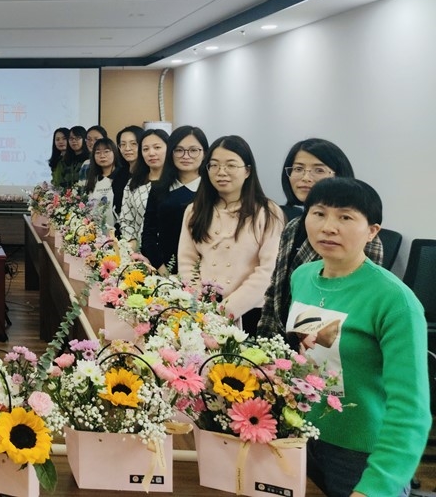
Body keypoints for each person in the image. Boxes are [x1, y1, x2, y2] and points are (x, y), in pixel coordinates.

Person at [287, 178, 428, 497]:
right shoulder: (302, 277)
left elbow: (411, 409)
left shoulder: (394, 301)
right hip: (303, 436)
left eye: (345, 217)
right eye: (318, 213)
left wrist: (379, 484)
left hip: (362, 455)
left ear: (372, 231)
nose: (328, 227)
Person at [258, 138, 383, 338]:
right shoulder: (292, 227)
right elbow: (276, 289)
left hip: (323, 343)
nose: (305, 177)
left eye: (318, 170)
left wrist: (301, 344)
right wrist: (264, 341)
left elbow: (358, 300)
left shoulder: (360, 236)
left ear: (339, 175)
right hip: (281, 338)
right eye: (298, 169)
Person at [177, 135, 283, 332]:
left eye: (231, 165)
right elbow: (187, 261)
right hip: (203, 310)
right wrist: (199, 303)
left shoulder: (267, 212)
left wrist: (226, 310)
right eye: (214, 165)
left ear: (247, 171)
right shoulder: (195, 210)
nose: (221, 172)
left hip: (250, 310)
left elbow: (268, 270)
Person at [139, 126, 208, 272]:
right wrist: (162, 269)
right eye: (179, 150)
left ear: (204, 153)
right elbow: (148, 234)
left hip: (204, 272)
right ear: (171, 153)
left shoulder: (211, 191)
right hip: (165, 270)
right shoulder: (158, 189)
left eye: (193, 150)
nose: (186, 156)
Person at [117, 128, 169, 247]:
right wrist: (132, 243)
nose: (151, 153)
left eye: (157, 147)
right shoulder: (134, 183)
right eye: (145, 149)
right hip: (139, 250)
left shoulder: (177, 182)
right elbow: (125, 220)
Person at [80, 137, 118, 229]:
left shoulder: (121, 177)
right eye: (97, 153)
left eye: (106, 151)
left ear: (115, 153)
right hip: (96, 231)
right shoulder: (93, 178)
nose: (102, 156)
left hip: (118, 230)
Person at [113, 125, 144, 218]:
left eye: (133, 143)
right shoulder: (120, 173)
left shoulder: (149, 174)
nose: (127, 148)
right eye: (122, 144)